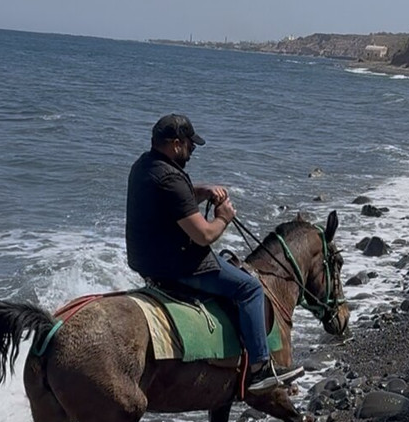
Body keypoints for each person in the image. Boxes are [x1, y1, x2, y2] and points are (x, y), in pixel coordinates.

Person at [125, 113, 303, 393]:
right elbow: (204, 235)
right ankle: (259, 369)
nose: (192, 150)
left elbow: (176, 200)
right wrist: (224, 217)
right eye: (189, 145)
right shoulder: (170, 179)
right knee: (250, 288)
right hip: (178, 266)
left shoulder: (144, 166)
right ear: (175, 144)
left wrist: (202, 191)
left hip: (147, 262)